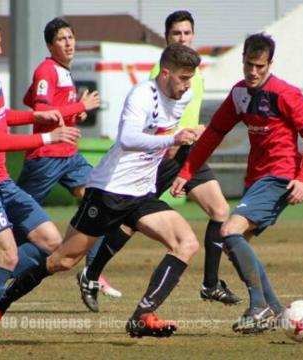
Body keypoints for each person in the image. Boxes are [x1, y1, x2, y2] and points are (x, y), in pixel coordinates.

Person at [0, 43, 201, 338]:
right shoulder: (142, 95)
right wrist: (172, 139)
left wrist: (184, 143)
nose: (187, 85)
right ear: (165, 73)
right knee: (61, 260)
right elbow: (128, 139)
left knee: (187, 243)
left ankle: (143, 315)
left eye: (190, 78)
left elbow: (163, 141)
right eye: (182, 78)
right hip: (110, 191)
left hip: (141, 194)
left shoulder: (184, 96)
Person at [75, 10, 239, 314]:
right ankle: (91, 273)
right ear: (167, 39)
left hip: (188, 150)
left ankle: (211, 283)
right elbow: (156, 123)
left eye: (187, 33)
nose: (182, 38)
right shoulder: (160, 73)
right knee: (130, 221)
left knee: (220, 210)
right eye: (176, 34)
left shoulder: (195, 72)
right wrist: (171, 146)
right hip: (164, 155)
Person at [0, 17, 121, 304]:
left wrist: (73, 113)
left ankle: (92, 274)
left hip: (68, 154)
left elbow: (32, 99)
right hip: (46, 158)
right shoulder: (47, 70)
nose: (68, 43)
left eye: (71, 37)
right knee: (15, 221)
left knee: (99, 201)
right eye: (62, 39)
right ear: (50, 45)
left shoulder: (63, 71)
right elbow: (42, 107)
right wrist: (79, 106)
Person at [171, 33, 303, 334]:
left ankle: (258, 306)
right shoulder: (239, 94)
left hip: (279, 177)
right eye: (249, 65)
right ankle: (276, 311)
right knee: (234, 245)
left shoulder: (285, 94)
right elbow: (213, 133)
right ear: (242, 60)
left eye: (260, 66)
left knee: (228, 230)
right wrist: (187, 171)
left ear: (270, 65)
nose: (253, 72)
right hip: (255, 180)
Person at [0, 15, 80, 352]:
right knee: (6, 257)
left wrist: (37, 116)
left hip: (0, 180)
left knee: (51, 241)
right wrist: (48, 137)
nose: (1, 49)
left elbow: (0, 115)